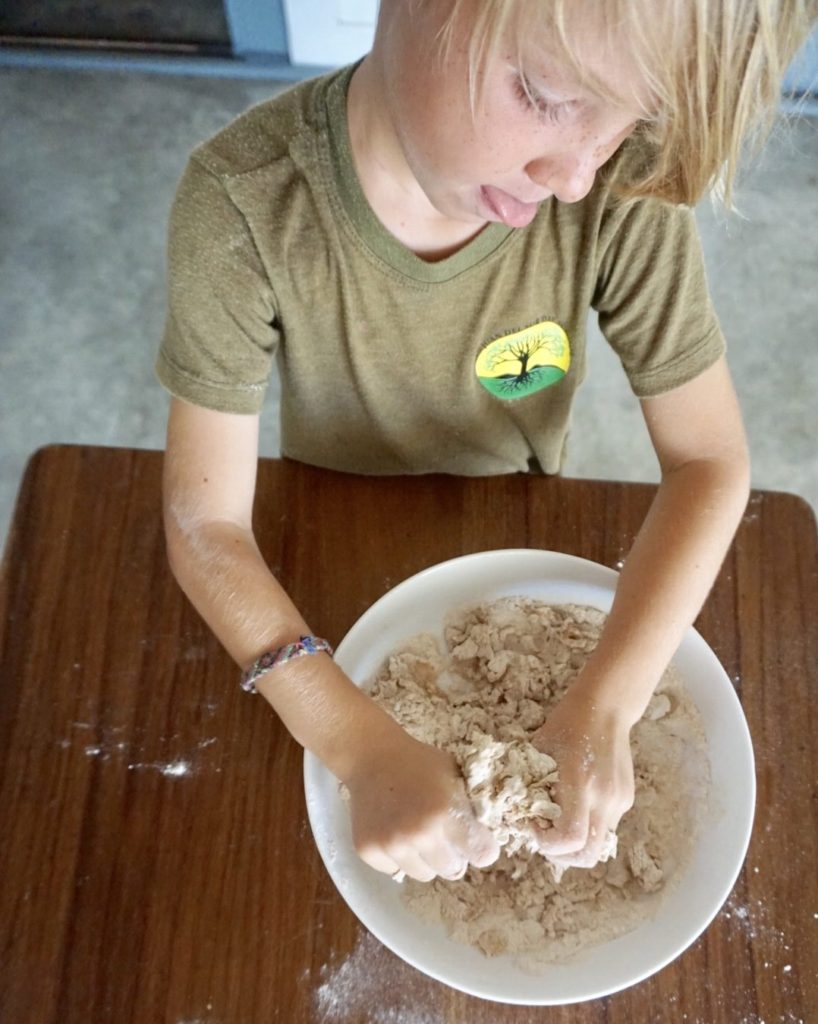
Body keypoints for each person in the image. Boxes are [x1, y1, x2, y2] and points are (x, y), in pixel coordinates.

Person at [156, 0, 816, 882]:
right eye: (545, 93)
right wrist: (354, 743)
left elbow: (711, 461)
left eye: (633, 119)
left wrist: (610, 705)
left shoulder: (618, 192)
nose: (577, 174)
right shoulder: (242, 202)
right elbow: (205, 529)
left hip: (518, 512)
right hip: (332, 540)